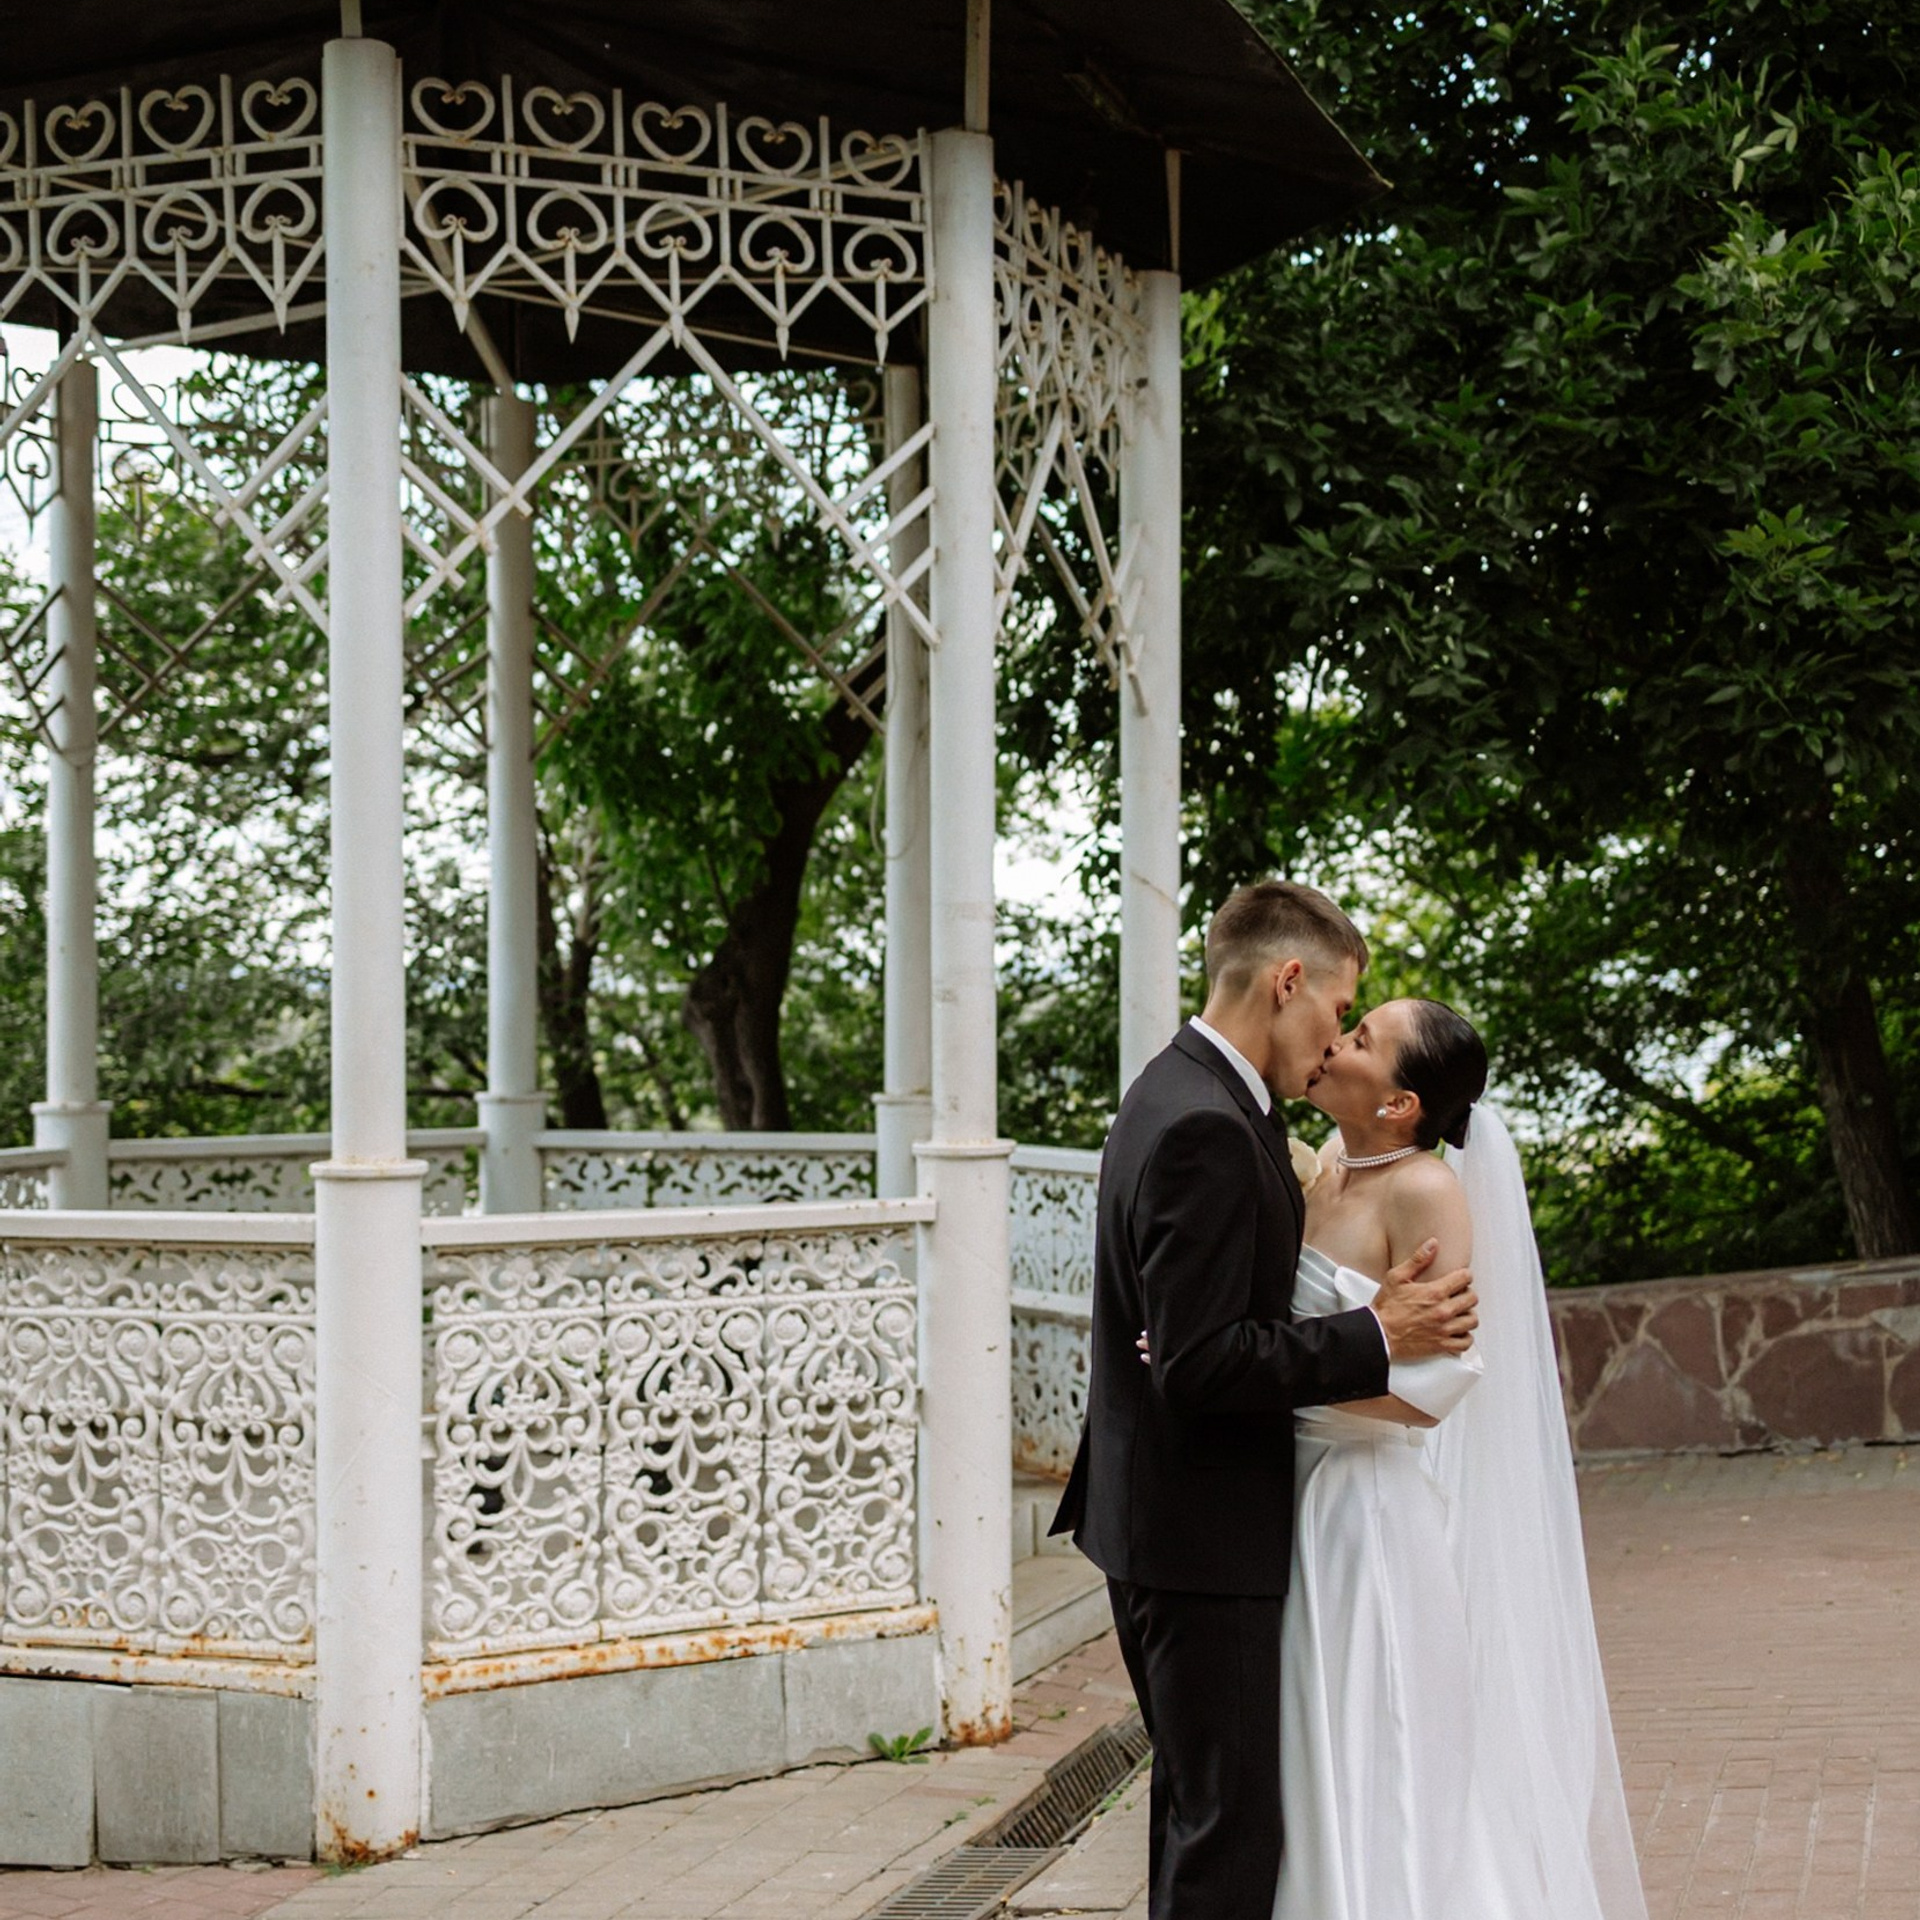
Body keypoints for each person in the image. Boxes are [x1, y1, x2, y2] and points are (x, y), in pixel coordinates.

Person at [1048, 882, 1480, 1920]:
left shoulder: (1185, 1090)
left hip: (1173, 1523)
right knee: (1231, 1833)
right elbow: (1198, 1367)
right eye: (1339, 1010)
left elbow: (1192, 1335)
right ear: (1290, 981)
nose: (1334, 1039)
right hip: (1202, 1536)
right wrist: (1379, 1335)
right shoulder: (1206, 1123)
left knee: (1203, 1815)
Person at [1272, 995, 1647, 1920]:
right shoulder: (1321, 1174)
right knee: (1309, 1754)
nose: (1336, 1041)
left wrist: (1260, 1380)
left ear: (1400, 1104)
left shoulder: (1426, 1190)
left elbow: (1431, 1390)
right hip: (1288, 1494)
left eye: (1362, 1040)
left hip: (1364, 1509)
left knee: (1380, 1744)